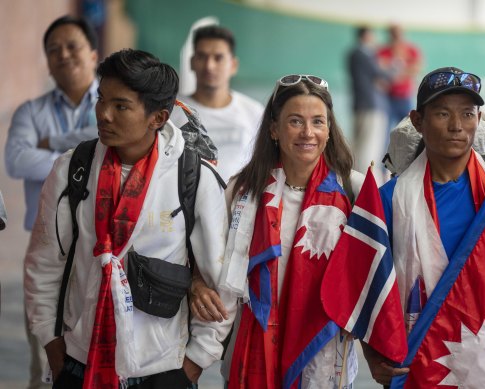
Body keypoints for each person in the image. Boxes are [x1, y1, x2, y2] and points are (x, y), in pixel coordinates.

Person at [23, 49, 234, 388]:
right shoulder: (73, 169)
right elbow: (45, 262)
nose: (103, 114)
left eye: (121, 106)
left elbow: (220, 281)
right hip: (80, 362)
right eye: (101, 99)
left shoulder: (192, 176)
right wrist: (52, 343)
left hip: (163, 368)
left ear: (158, 117)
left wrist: (194, 364)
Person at [193, 74, 365, 387]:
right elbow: (213, 267)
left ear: (329, 129)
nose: (308, 133)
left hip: (324, 361)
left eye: (318, 122)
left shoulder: (354, 190)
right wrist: (195, 283)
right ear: (274, 129)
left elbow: (369, 275)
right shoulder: (243, 191)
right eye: (295, 121)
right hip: (251, 353)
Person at [365, 67, 485, 386]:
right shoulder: (389, 201)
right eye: (443, 113)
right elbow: (361, 284)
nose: (457, 126)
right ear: (418, 121)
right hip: (424, 362)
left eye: (467, 113)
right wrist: (371, 355)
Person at [4, 15, 100, 389]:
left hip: (99, 249)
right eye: (53, 50)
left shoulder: (112, 104)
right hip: (46, 251)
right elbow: (15, 161)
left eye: (72, 46)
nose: (63, 55)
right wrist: (82, 155)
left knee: (97, 358)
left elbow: (110, 150)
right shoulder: (30, 112)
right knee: (44, 367)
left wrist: (52, 146)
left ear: (93, 54)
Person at [170, 25, 263, 183]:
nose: (209, 66)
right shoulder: (171, 111)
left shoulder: (254, 112)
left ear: (233, 65)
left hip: (236, 205)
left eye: (218, 58)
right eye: (202, 56)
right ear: (192, 62)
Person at [348, 26, 399, 182]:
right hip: (371, 106)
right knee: (369, 146)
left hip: (362, 105)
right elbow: (381, 74)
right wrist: (395, 66)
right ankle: (366, 181)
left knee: (361, 144)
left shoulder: (354, 54)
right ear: (366, 36)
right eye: (372, 36)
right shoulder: (364, 54)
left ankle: (360, 178)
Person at [377, 24, 422, 129]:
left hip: (405, 97)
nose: (396, 37)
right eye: (393, 34)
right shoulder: (383, 51)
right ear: (389, 35)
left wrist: (397, 76)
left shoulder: (411, 50)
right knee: (385, 130)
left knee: (408, 129)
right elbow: (379, 71)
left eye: (398, 34)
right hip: (387, 98)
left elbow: (416, 68)